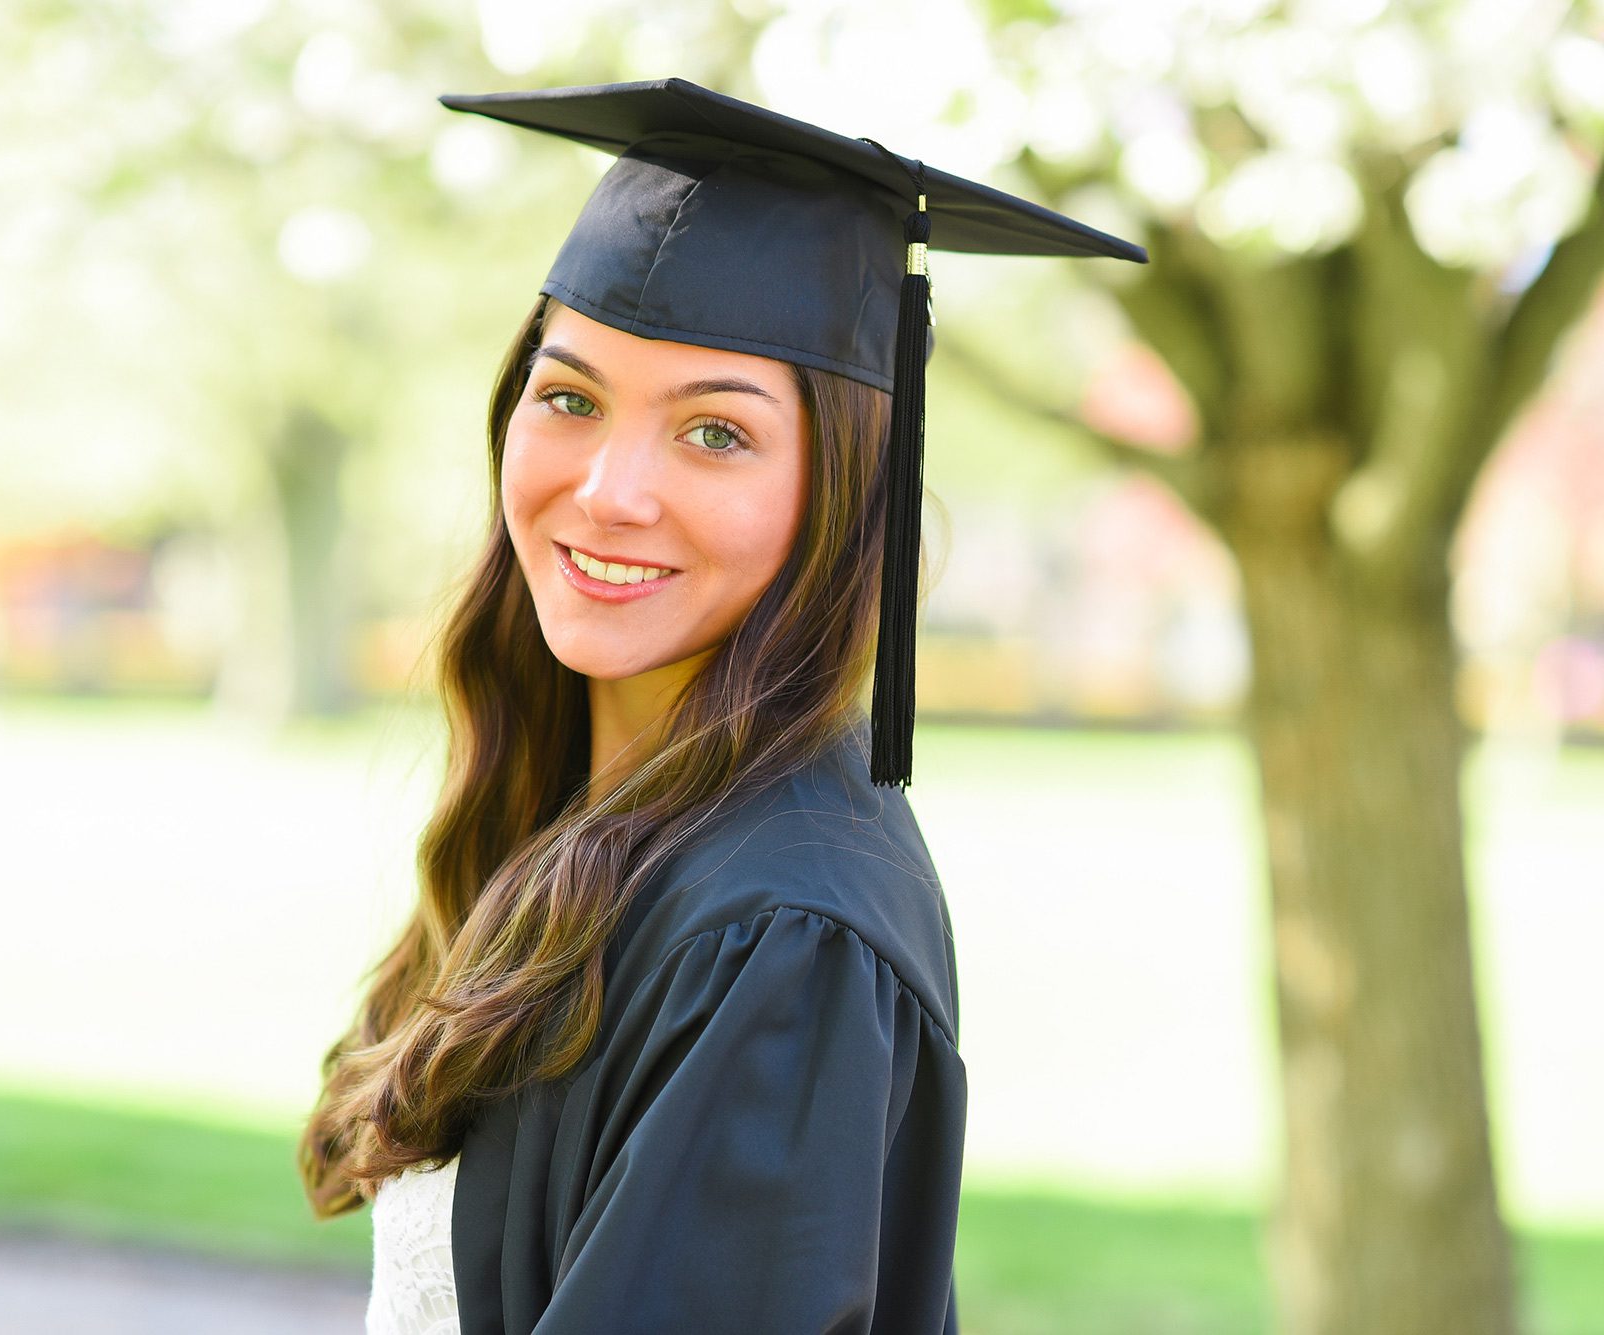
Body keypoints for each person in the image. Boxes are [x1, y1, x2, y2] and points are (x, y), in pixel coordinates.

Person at [298, 78, 1145, 1334]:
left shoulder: (780, 937)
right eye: (570, 397)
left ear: (839, 492)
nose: (607, 491)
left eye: (713, 435)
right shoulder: (592, 827)